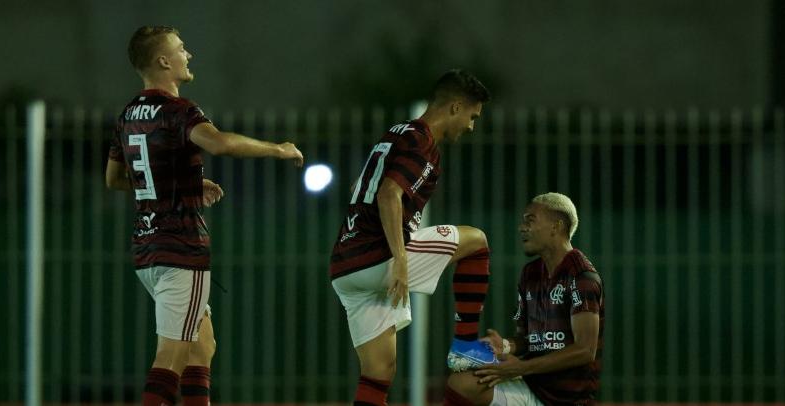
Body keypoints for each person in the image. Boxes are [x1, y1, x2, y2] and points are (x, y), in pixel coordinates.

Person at [105, 25, 303, 406]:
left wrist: (183, 183)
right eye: (181, 49)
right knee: (170, 358)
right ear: (163, 60)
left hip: (147, 249)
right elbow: (221, 143)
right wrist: (278, 149)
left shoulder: (128, 114)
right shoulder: (179, 110)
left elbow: (115, 179)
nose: (188, 54)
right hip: (181, 249)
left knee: (202, 346)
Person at [329, 69, 494, 405]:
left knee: (378, 372)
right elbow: (388, 193)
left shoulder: (397, 131)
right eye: (472, 116)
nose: (471, 126)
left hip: (345, 267)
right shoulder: (423, 142)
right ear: (455, 107)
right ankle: (464, 346)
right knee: (477, 241)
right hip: (381, 256)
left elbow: (359, 187)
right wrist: (401, 262)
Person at [444, 193, 605, 405]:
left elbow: (585, 350)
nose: (521, 227)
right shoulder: (530, 273)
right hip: (533, 388)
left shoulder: (582, 276)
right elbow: (529, 339)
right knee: (462, 383)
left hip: (569, 400)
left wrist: (520, 368)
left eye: (530, 220)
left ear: (556, 226)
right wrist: (505, 346)